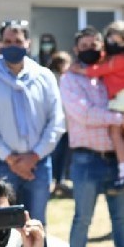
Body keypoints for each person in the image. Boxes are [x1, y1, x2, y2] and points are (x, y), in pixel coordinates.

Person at [61, 27, 124, 247]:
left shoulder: (111, 73)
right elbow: (84, 114)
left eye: (95, 43)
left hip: (115, 158)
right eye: (84, 44)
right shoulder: (71, 79)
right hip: (86, 160)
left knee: (121, 219)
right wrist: (121, 119)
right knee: (82, 219)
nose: (90, 48)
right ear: (76, 50)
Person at [0, 19, 65, 229]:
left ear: (28, 43)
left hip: (38, 165)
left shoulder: (44, 76)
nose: (13, 45)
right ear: (1, 44)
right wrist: (12, 160)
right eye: (8, 41)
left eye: (18, 41)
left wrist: (34, 156)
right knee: (0, 229)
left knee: (36, 226)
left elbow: (57, 121)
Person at [76, 20, 124, 190]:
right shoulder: (118, 58)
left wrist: (77, 70)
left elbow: (97, 71)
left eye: (118, 41)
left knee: (115, 131)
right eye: (111, 40)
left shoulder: (121, 59)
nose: (113, 44)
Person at [47, 50, 73, 198]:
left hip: (67, 126)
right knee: (55, 156)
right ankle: (52, 182)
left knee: (64, 157)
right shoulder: (52, 79)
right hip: (56, 126)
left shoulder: (68, 79)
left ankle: (60, 181)